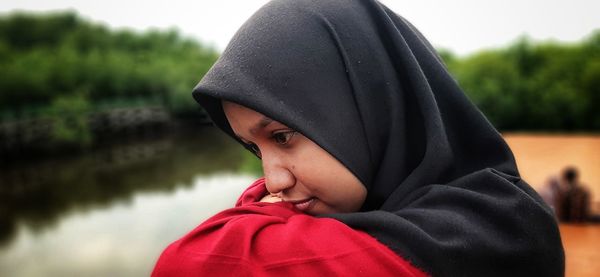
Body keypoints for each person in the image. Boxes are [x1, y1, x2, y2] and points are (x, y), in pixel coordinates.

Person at [152, 0, 565, 276]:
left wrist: (262, 215)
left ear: (367, 110)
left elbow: (188, 263)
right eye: (253, 147)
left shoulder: (493, 237)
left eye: (282, 136)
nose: (273, 181)